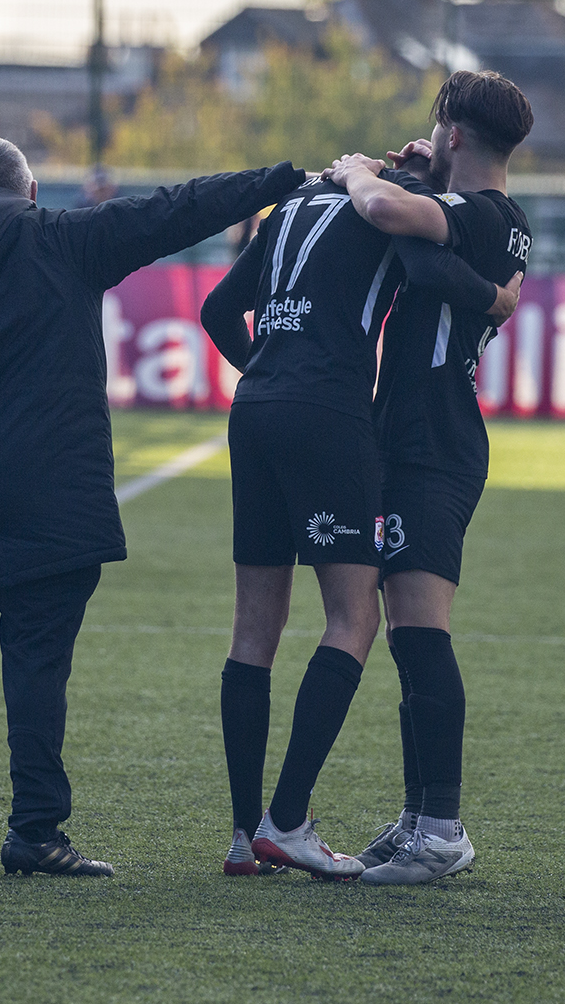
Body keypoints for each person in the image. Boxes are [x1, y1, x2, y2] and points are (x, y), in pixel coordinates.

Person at [0, 135, 306, 877]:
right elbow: (178, 210)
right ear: (31, 192)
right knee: (37, 667)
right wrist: (279, 179)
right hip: (54, 499)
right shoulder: (66, 240)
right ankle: (34, 832)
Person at [199, 138, 517, 880]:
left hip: (254, 411)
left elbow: (219, 309)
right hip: (329, 413)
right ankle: (290, 820)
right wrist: (495, 298)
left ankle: (246, 837)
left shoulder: (288, 209)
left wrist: (269, 372)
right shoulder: (387, 210)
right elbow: (429, 267)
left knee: (254, 627)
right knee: (355, 616)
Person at [327, 69, 536, 885]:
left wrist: (356, 170)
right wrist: (424, 174)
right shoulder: (497, 215)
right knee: (410, 640)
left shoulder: (474, 213)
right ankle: (420, 817)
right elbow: (423, 245)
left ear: (453, 134)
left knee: (421, 632)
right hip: (428, 432)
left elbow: (382, 213)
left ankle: (442, 828)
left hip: (430, 441)